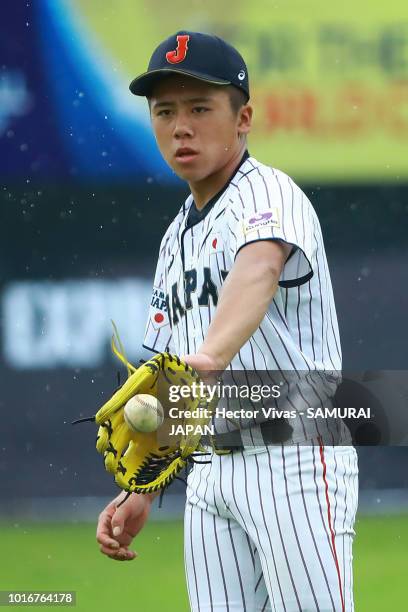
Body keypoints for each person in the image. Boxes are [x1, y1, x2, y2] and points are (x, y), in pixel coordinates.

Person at [96, 31, 358, 611]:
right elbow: (167, 376)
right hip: (210, 473)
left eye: (200, 108)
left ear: (244, 119)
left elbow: (259, 269)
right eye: (165, 111)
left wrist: (210, 357)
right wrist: (140, 487)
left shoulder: (271, 193)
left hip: (294, 454)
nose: (180, 126)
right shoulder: (174, 239)